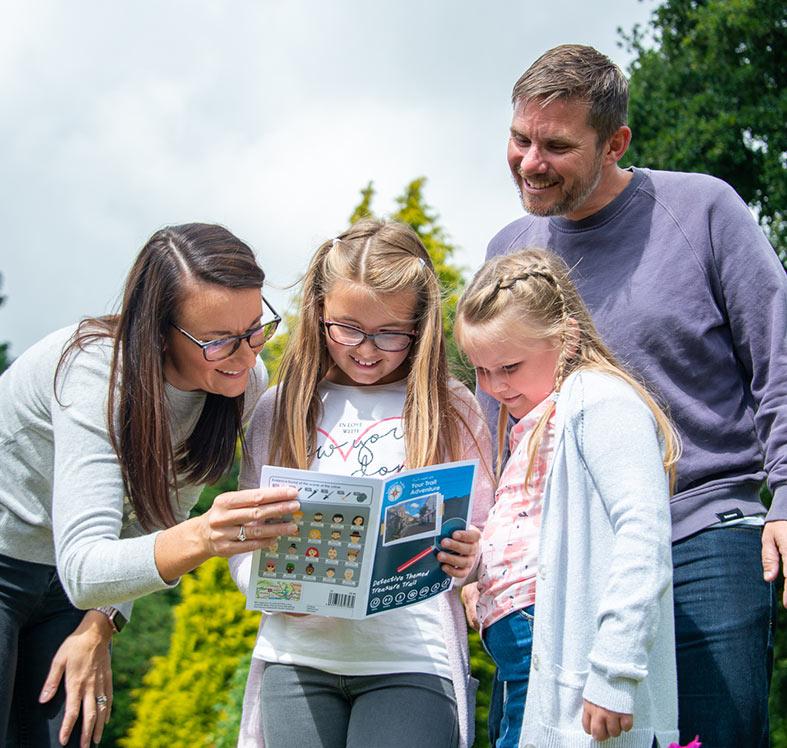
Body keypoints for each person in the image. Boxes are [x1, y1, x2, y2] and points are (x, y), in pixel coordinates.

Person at [481, 44, 787, 747]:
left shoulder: (702, 208)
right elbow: (502, 418)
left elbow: (776, 353)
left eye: (555, 145)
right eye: (519, 138)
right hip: (561, 556)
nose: (529, 161)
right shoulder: (508, 249)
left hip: (702, 533)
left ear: (614, 141)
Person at [0, 223, 300, 748]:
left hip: (71, 586)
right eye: (217, 341)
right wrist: (205, 537)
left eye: (256, 328)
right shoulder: (94, 375)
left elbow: (155, 514)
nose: (248, 355)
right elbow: (86, 566)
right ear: (159, 332)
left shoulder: (241, 384)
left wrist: (101, 624)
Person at [229, 219, 495, 748]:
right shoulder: (279, 408)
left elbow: (485, 529)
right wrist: (262, 586)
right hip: (297, 657)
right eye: (347, 328)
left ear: (421, 327)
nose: (367, 350)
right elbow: (243, 538)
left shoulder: (452, 408)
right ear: (319, 313)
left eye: (390, 333)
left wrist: (474, 558)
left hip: (412, 657)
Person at [455, 248, 679, 746]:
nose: (493, 386)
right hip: (524, 662)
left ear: (567, 337)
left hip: (562, 658)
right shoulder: (535, 419)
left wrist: (614, 670)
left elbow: (643, 532)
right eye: (481, 370)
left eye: (508, 366)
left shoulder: (600, 400)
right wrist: (480, 574)